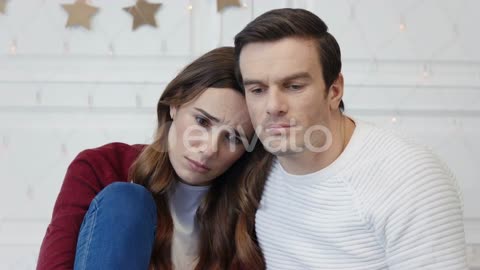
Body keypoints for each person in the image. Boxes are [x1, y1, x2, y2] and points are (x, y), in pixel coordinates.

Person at [233, 8, 468, 269]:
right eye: (257, 89)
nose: (273, 106)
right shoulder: (253, 164)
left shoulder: (408, 176)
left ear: (334, 91)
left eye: (294, 86)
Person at [37, 47, 262, 270]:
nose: (210, 149)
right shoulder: (100, 167)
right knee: (126, 200)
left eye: (234, 138)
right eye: (202, 122)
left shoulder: (250, 208)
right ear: (175, 105)